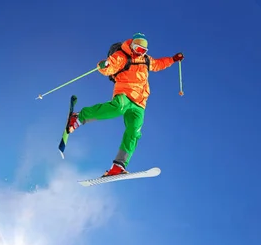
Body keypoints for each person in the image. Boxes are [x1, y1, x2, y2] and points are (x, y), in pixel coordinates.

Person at [66, 33, 184, 176]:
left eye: (142, 51)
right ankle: (79, 117)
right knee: (117, 107)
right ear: (132, 45)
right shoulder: (122, 56)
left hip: (140, 103)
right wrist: (104, 65)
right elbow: (110, 66)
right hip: (125, 94)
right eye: (137, 49)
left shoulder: (146, 60)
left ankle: (118, 166)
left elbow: (159, 64)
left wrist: (172, 59)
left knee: (134, 131)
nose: (139, 53)